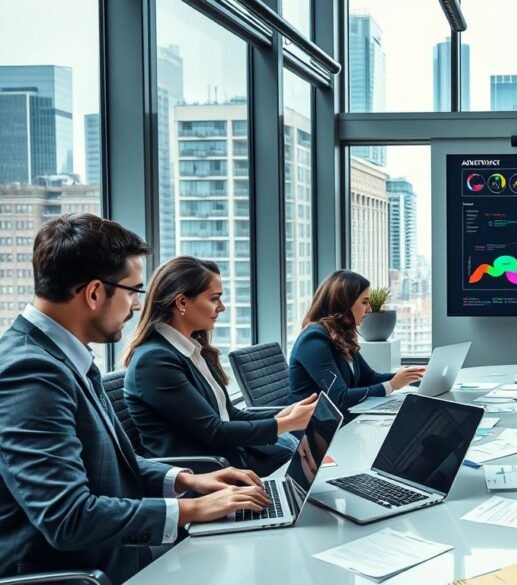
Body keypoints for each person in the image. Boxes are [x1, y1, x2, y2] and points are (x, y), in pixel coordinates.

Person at [0, 214, 270, 583]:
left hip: (117, 552)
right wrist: (191, 509)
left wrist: (187, 480)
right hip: (86, 571)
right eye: (133, 291)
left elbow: (110, 465)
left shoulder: (65, 357)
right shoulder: (30, 372)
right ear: (95, 293)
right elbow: (69, 518)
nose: (138, 306)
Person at [123, 257, 318, 477]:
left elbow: (229, 414)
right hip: (208, 473)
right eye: (214, 299)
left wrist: (285, 416)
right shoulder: (155, 361)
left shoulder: (192, 349)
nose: (222, 307)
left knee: (317, 468)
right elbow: (215, 432)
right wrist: (287, 423)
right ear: (182, 303)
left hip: (228, 457)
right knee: (311, 473)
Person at [288, 270, 424, 409]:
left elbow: (369, 378)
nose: (369, 309)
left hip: (343, 419)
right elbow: (340, 398)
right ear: (343, 303)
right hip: (316, 426)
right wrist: (391, 385)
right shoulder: (313, 341)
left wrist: (412, 377)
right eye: (364, 302)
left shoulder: (341, 336)